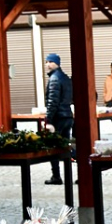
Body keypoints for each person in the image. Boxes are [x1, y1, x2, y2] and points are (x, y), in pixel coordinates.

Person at [43, 53, 73, 185]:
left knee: (53, 146)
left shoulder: (54, 79)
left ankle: (56, 176)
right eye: (46, 61)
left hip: (58, 117)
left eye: (51, 62)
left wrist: (48, 120)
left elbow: (52, 102)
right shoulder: (65, 78)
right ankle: (68, 174)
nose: (48, 64)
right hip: (67, 115)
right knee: (65, 146)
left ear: (57, 63)